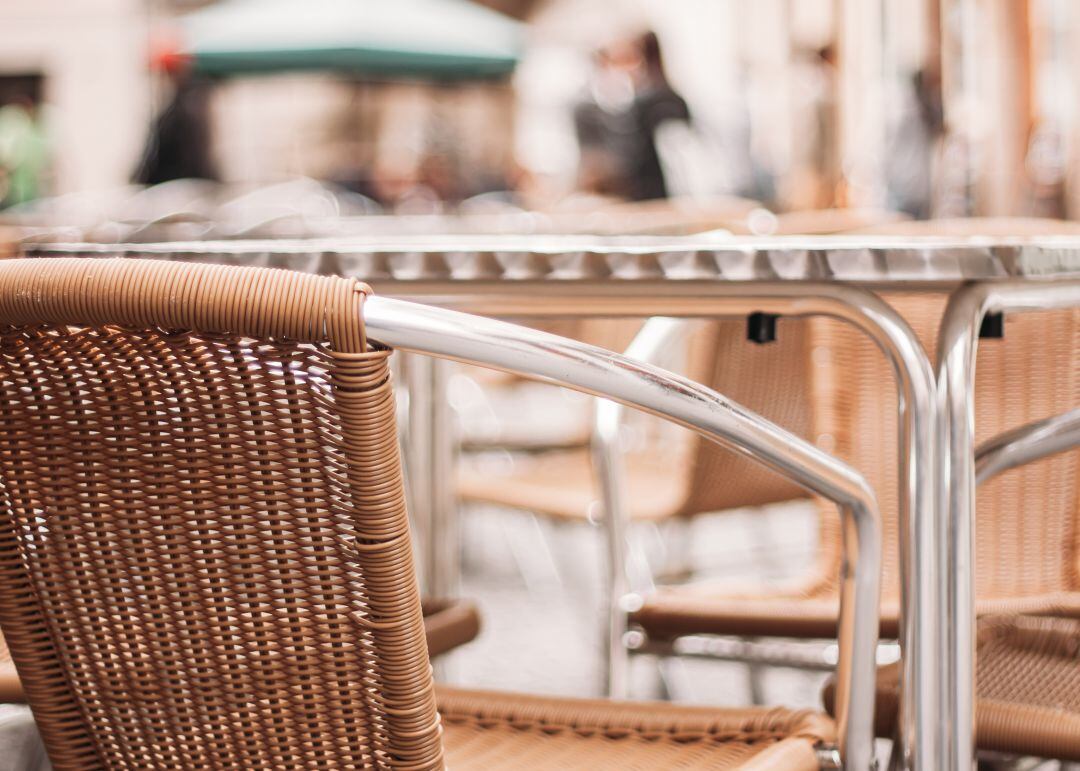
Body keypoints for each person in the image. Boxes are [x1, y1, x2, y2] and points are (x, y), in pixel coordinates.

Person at [624, 31, 690, 201]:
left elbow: (633, 152)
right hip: (677, 191)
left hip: (648, 190)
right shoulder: (674, 96)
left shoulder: (644, 100)